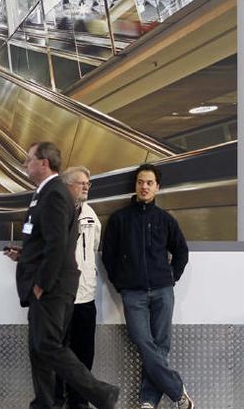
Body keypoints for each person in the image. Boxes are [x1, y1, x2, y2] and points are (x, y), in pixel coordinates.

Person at [3, 143, 118, 409]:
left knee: (48, 345)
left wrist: (42, 284)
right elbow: (47, 242)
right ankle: (44, 404)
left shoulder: (54, 194)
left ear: (43, 163)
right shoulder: (43, 193)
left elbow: (58, 246)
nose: (25, 164)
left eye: (29, 159)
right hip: (45, 284)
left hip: (51, 287)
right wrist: (24, 256)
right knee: (39, 350)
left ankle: (102, 393)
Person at [102, 164, 194, 409]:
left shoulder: (165, 220)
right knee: (143, 341)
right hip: (133, 294)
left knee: (160, 346)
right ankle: (176, 390)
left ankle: (147, 401)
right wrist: (121, 283)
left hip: (163, 292)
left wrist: (170, 278)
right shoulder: (120, 219)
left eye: (149, 183)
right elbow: (108, 256)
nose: (144, 186)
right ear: (135, 185)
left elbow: (181, 252)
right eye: (141, 182)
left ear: (157, 187)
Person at [54, 166, 101, 409]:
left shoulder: (91, 214)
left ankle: (79, 402)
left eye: (88, 183)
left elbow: (93, 248)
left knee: (84, 355)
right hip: (59, 299)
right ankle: (56, 401)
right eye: (81, 182)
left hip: (85, 298)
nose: (86, 187)